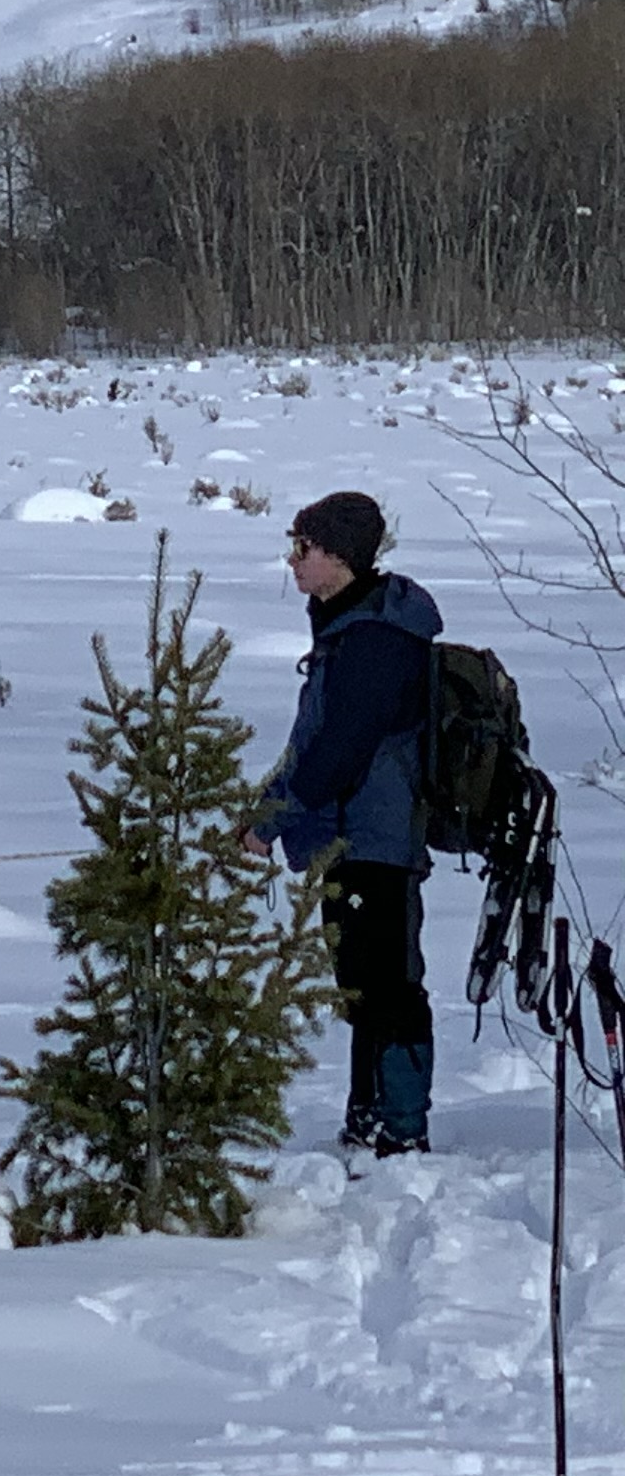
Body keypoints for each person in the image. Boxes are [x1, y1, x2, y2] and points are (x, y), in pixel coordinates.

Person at [251, 491, 440, 1156]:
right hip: (353, 833)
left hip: (379, 836)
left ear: (338, 556)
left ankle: (403, 1127)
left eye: (303, 547)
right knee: (360, 978)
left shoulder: (375, 639)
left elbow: (339, 749)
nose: (293, 560)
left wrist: (270, 820)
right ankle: (369, 1118)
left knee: (388, 980)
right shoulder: (346, 626)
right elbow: (315, 744)